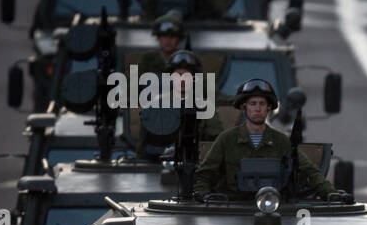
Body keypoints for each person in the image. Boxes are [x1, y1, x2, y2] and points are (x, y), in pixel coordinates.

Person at [194, 79, 335, 198]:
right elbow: (205, 174)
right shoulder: (227, 139)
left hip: (272, 205)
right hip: (234, 206)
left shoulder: (281, 141)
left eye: (262, 104)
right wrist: (203, 197)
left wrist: (331, 193)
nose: (257, 109)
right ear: (244, 107)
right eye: (253, 104)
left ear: (268, 108)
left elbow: (309, 170)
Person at [136, 49, 225, 159]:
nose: (182, 80)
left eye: (187, 76)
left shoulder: (204, 106)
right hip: (157, 164)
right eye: (178, 75)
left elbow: (217, 142)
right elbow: (143, 146)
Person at [135, 11, 185, 76]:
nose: (168, 40)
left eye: (172, 36)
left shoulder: (186, 59)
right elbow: (133, 83)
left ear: (179, 39)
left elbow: (198, 83)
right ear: (158, 37)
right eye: (164, 36)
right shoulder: (147, 59)